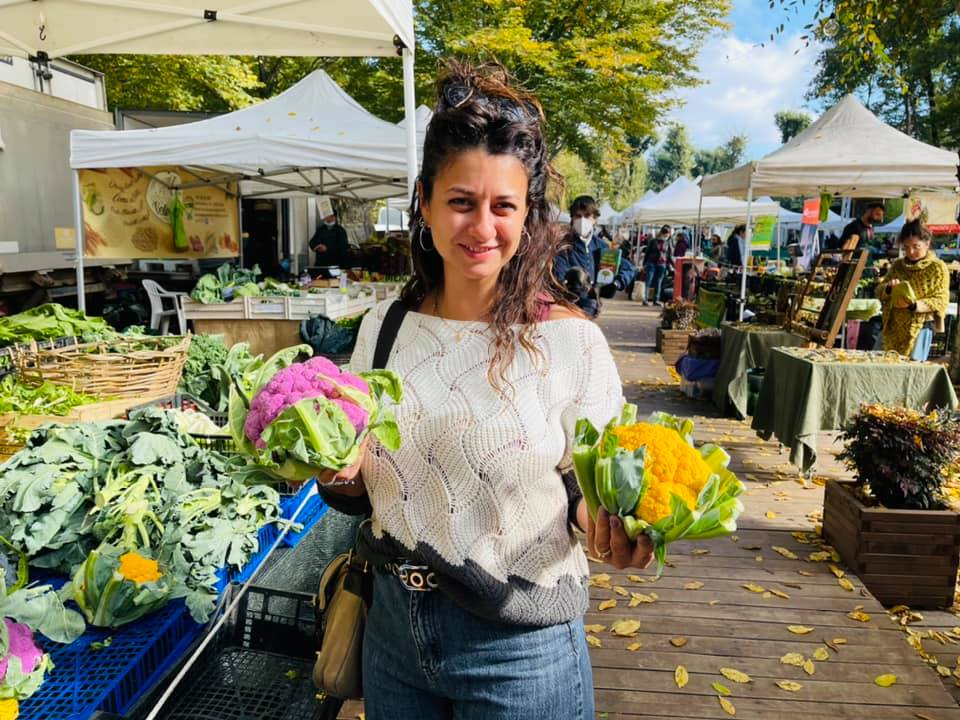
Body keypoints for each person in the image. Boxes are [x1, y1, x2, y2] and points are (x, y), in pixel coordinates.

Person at [318, 61, 653, 720]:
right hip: (392, 636)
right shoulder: (383, 330)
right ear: (424, 200)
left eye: (503, 206)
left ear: (527, 213)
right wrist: (339, 472)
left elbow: (591, 484)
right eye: (461, 202)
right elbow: (358, 488)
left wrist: (609, 529)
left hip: (519, 650)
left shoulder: (571, 342)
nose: (481, 227)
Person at [876, 221, 949, 361]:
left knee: (911, 369)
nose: (911, 252)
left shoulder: (937, 268)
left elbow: (940, 300)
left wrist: (914, 305)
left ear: (927, 244)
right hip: (892, 327)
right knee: (882, 365)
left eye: (916, 246)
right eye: (906, 247)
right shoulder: (898, 265)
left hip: (920, 326)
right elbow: (879, 291)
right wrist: (888, 289)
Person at [554, 195, 635, 311]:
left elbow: (629, 268)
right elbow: (559, 275)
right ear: (572, 218)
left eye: (587, 216)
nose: (582, 220)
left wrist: (616, 283)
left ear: (595, 219)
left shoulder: (602, 246)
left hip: (591, 306)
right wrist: (570, 285)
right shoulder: (563, 245)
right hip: (567, 306)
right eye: (578, 216)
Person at [642, 226, 671, 306]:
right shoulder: (653, 241)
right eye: (665, 234)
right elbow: (647, 253)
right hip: (651, 263)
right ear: (661, 233)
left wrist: (670, 266)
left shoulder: (667, 243)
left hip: (662, 264)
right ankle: (646, 299)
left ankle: (656, 300)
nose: (666, 236)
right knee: (649, 281)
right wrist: (644, 264)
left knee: (659, 282)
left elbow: (669, 255)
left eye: (667, 234)